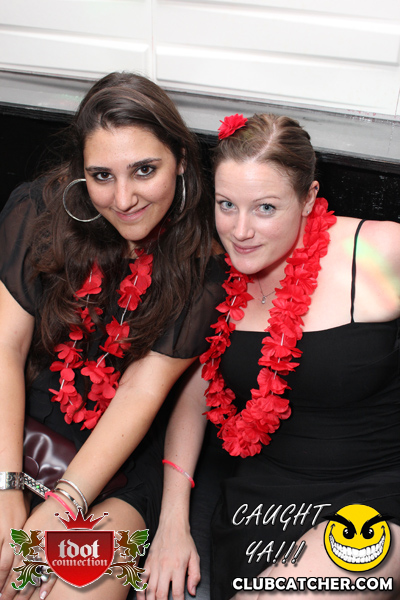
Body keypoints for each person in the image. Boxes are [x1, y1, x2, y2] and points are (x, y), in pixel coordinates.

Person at [142, 113, 400, 600]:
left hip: (378, 495)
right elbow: (195, 400)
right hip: (263, 507)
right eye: (226, 205)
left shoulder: (379, 250)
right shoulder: (215, 281)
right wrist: (172, 523)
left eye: (265, 208)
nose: (240, 231)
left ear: (308, 198)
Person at [0, 71, 225, 600]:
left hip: (120, 459)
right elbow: (6, 347)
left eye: (144, 170)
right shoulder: (38, 211)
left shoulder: (204, 266)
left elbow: (139, 392)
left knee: (73, 589)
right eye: (101, 175)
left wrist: (58, 512)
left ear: (181, 161)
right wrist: (6, 489)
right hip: (20, 423)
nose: (123, 198)